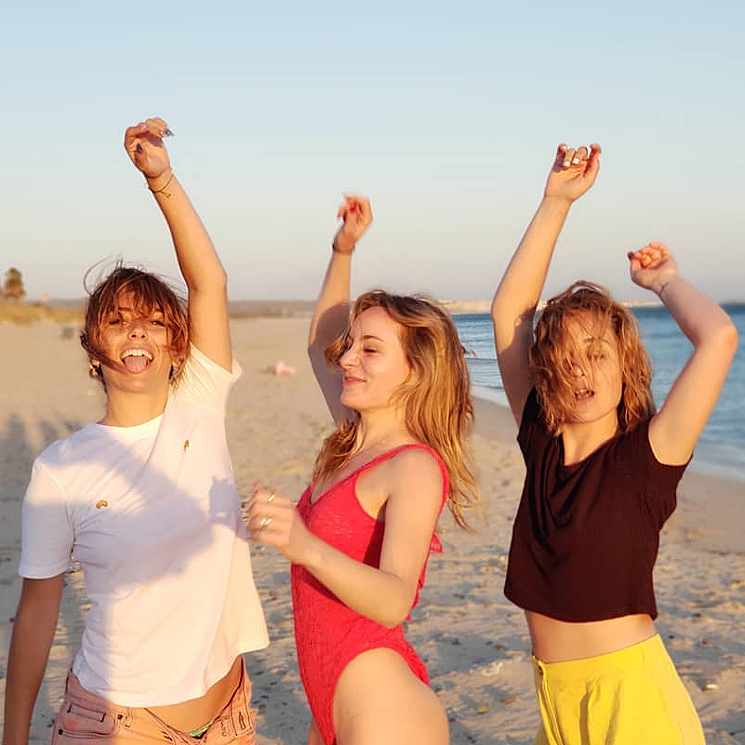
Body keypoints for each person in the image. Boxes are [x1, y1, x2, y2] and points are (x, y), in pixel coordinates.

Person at [3, 118, 268, 745]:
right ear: (94, 348)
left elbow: (209, 283)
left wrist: (162, 180)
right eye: (119, 322)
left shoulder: (200, 403)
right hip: (115, 725)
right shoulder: (61, 467)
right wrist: (14, 735)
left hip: (228, 717)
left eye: (153, 321)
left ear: (178, 346)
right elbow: (38, 611)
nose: (138, 333)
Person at [491, 143, 738, 743]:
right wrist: (555, 202)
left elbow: (720, 337)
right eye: (566, 358)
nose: (582, 372)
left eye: (597, 354)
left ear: (625, 365)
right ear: (545, 369)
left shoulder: (645, 460)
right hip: (554, 694)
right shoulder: (540, 442)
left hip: (632, 701)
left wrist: (666, 282)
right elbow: (510, 313)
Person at [247, 196, 479, 745]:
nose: (348, 358)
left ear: (415, 371)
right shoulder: (354, 441)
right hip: (330, 706)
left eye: (370, 350)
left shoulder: (414, 466)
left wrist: (304, 545)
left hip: (386, 713)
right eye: (352, 345)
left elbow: (396, 598)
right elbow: (317, 343)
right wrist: (342, 249)